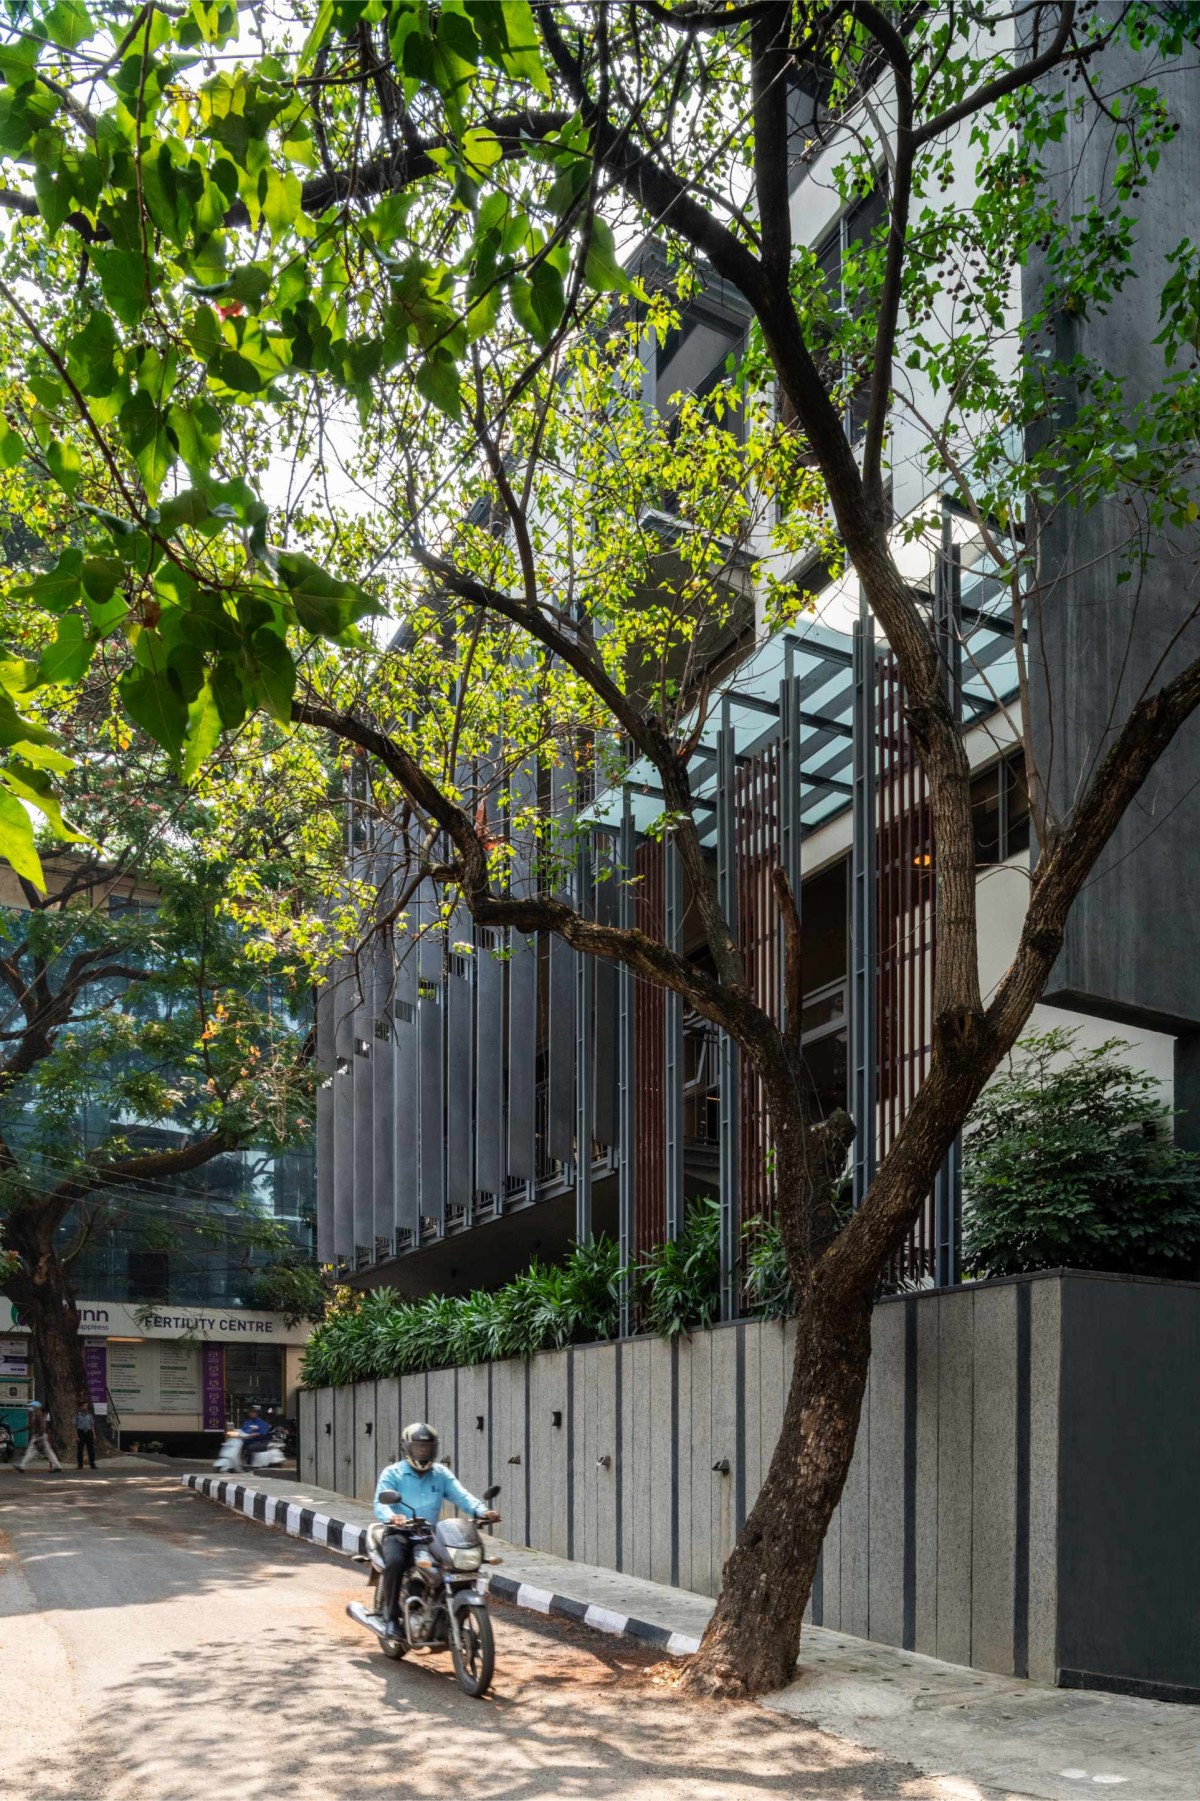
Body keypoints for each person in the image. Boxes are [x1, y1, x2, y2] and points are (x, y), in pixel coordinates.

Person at [373, 1422, 500, 1639]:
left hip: (428, 1534)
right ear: (407, 1448)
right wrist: (393, 1517)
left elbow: (462, 1496)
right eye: (418, 1447)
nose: (423, 1452)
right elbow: (380, 1502)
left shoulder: (440, 1473)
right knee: (395, 1562)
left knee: (448, 1566)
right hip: (399, 1533)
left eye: (427, 1448)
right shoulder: (393, 1473)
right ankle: (392, 1617)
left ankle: (439, 1607)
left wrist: (482, 1511)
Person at [16, 1402, 61, 1472]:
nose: (31, 1408)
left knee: (31, 1452)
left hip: (39, 1436)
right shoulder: (38, 1415)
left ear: (35, 1407)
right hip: (41, 1436)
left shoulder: (38, 1414)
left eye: (32, 1406)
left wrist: (38, 1437)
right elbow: (30, 1426)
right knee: (48, 1452)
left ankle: (22, 1467)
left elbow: (42, 1426)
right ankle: (58, 1466)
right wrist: (17, 1431)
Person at [74, 1395, 97, 1471]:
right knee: (80, 1449)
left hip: (89, 1432)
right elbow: (75, 1426)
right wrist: (76, 1436)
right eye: (84, 1406)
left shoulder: (90, 1416)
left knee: (91, 1449)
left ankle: (92, 1464)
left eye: (86, 1406)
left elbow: (92, 1425)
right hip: (81, 1432)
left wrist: (94, 1434)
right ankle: (80, 1465)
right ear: (81, 1407)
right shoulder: (77, 1416)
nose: (85, 1408)